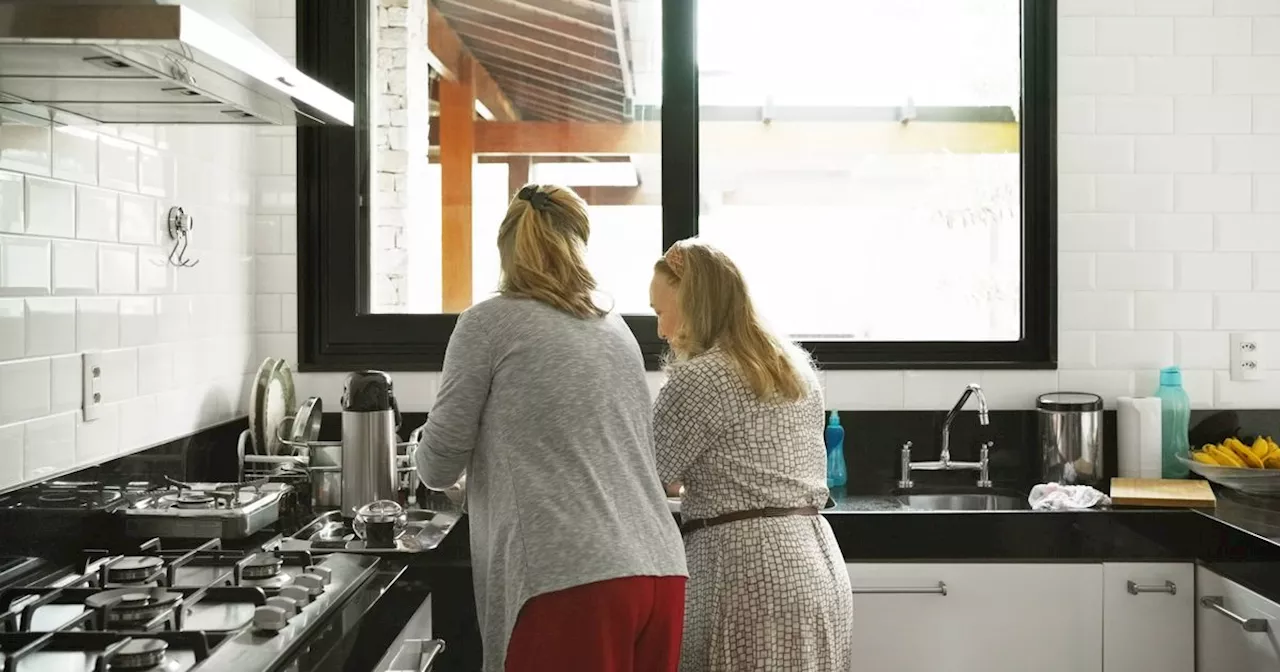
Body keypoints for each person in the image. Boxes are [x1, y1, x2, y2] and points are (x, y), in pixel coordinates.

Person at [415, 184, 688, 672]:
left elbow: (438, 463)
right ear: (578, 245)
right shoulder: (614, 325)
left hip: (568, 578)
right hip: (660, 571)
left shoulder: (487, 323)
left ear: (507, 252)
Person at [649, 239, 853, 672]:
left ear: (693, 307)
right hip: (817, 565)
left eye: (660, 312)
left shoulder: (700, 378)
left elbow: (650, 477)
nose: (661, 330)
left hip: (748, 572)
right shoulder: (793, 366)